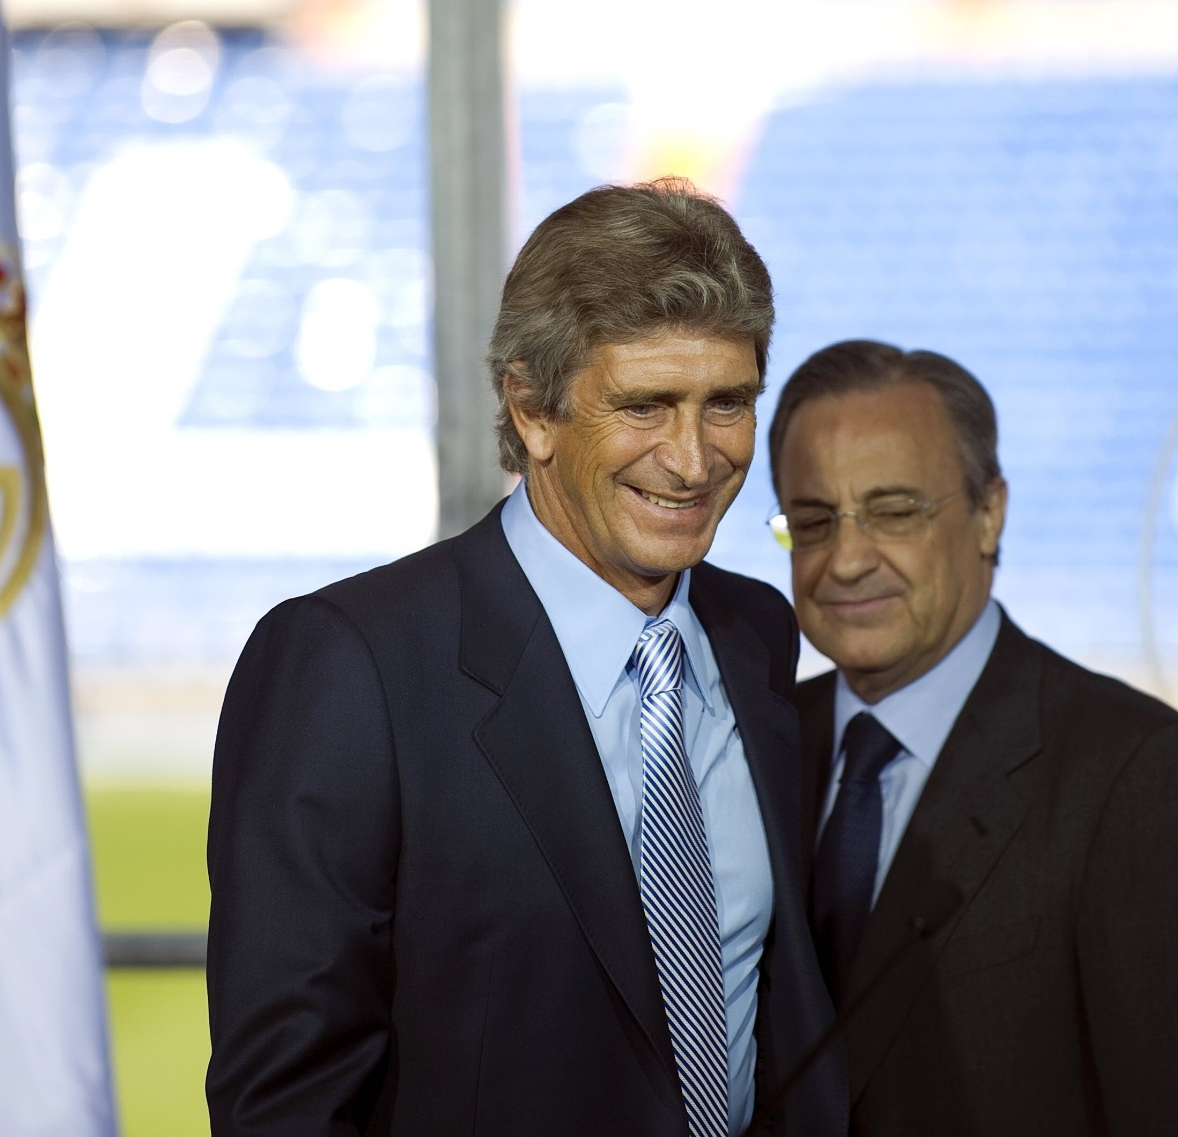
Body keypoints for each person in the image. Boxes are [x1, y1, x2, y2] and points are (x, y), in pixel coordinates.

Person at [206, 180, 846, 1137]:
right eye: (645, 405)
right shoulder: (349, 667)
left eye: (727, 403)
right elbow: (285, 1103)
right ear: (533, 409)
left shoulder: (756, 634)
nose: (693, 458)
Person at [769, 339, 1178, 1136]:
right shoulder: (757, 745)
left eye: (894, 512)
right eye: (812, 522)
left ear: (989, 514)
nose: (845, 561)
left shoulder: (1144, 778)